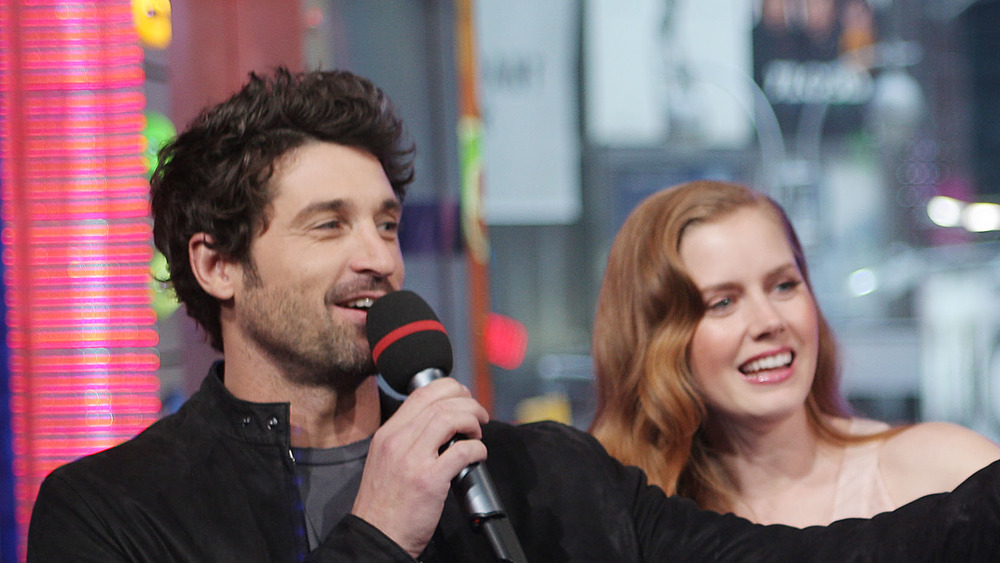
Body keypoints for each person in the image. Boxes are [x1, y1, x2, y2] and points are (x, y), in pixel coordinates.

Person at [24, 68, 1000, 562]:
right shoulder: (113, 511)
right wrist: (376, 534)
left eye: (386, 223)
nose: (376, 254)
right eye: (329, 224)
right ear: (218, 263)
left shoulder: (536, 471)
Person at [590, 179, 1000, 527]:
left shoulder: (945, 471)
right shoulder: (622, 523)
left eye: (783, 285)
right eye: (723, 302)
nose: (769, 320)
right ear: (657, 337)